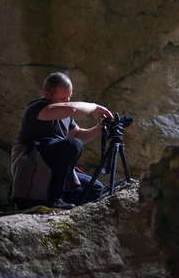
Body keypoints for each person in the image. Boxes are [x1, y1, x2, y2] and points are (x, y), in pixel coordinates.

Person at [11, 72, 113, 210]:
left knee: (95, 188)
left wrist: (98, 129)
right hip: (35, 163)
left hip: (54, 166)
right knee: (73, 144)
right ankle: (54, 199)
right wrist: (94, 107)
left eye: (69, 97)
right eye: (63, 98)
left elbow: (77, 135)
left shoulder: (66, 116)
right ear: (48, 95)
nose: (67, 101)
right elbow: (73, 109)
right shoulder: (37, 108)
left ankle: (68, 211)